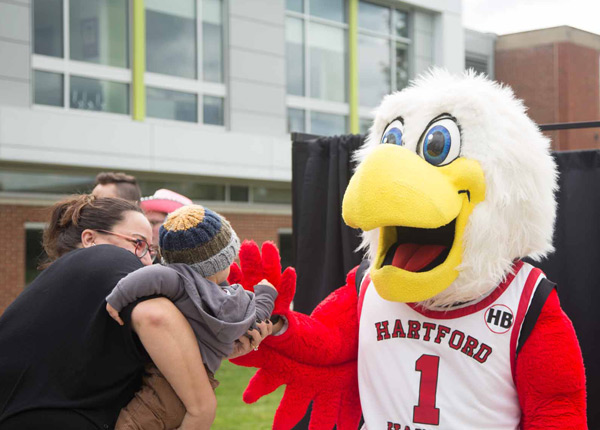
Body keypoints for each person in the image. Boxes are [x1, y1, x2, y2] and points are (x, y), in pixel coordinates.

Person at [0, 195, 271, 430]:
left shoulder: (55, 291)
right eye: (138, 243)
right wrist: (202, 406)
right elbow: (155, 317)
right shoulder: (108, 258)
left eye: (152, 251)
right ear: (90, 239)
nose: (145, 261)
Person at [105, 204, 278, 430]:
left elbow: (149, 275)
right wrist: (266, 294)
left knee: (136, 423)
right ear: (221, 262)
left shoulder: (179, 281)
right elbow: (255, 318)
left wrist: (115, 300)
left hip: (167, 374)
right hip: (200, 379)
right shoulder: (233, 300)